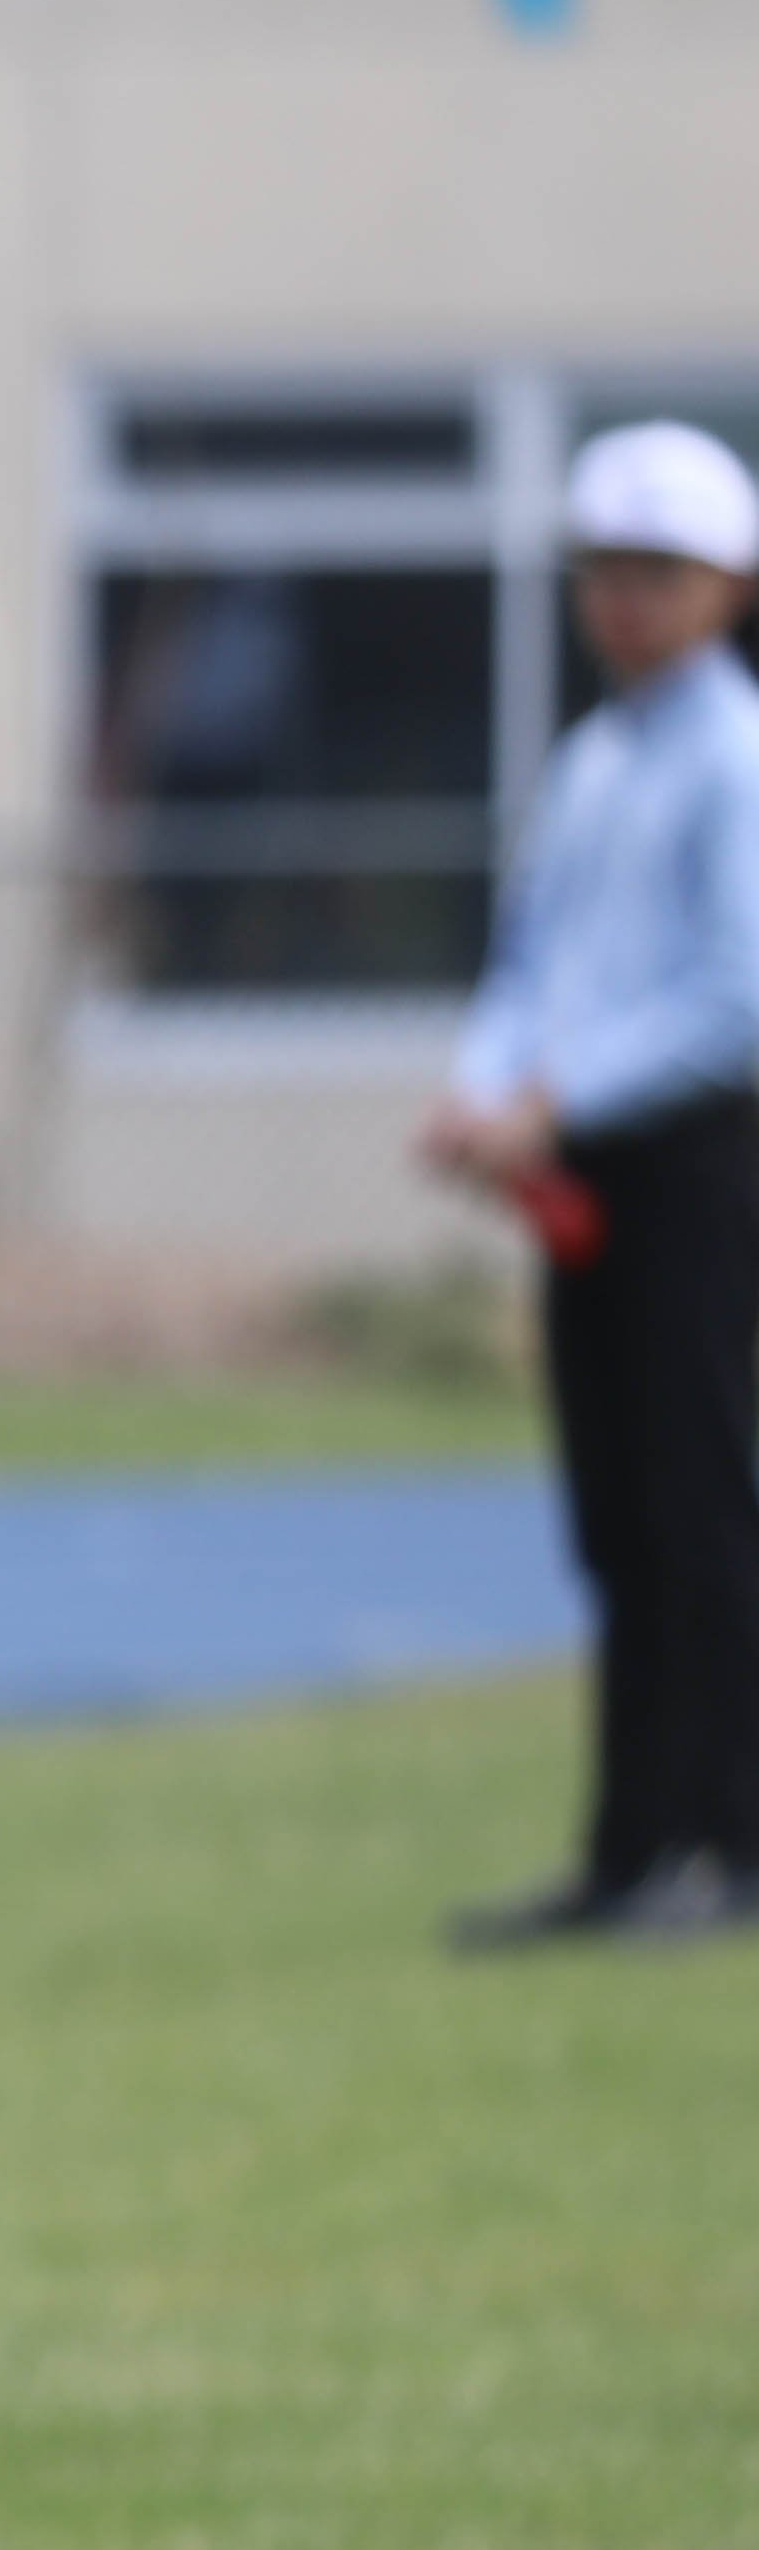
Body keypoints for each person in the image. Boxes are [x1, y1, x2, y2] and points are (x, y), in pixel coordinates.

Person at [423, 414, 759, 1949]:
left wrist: (562, 1095)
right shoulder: (590, 762)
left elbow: (740, 998)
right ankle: (631, 1851)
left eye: (660, 570)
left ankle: (728, 1848)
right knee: (618, 1514)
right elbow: (530, 961)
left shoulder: (736, 759)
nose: (627, 597)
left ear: (730, 586)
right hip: (586, 1174)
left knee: (708, 1508)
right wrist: (490, 1092)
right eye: (605, 569)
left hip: (701, 1165)